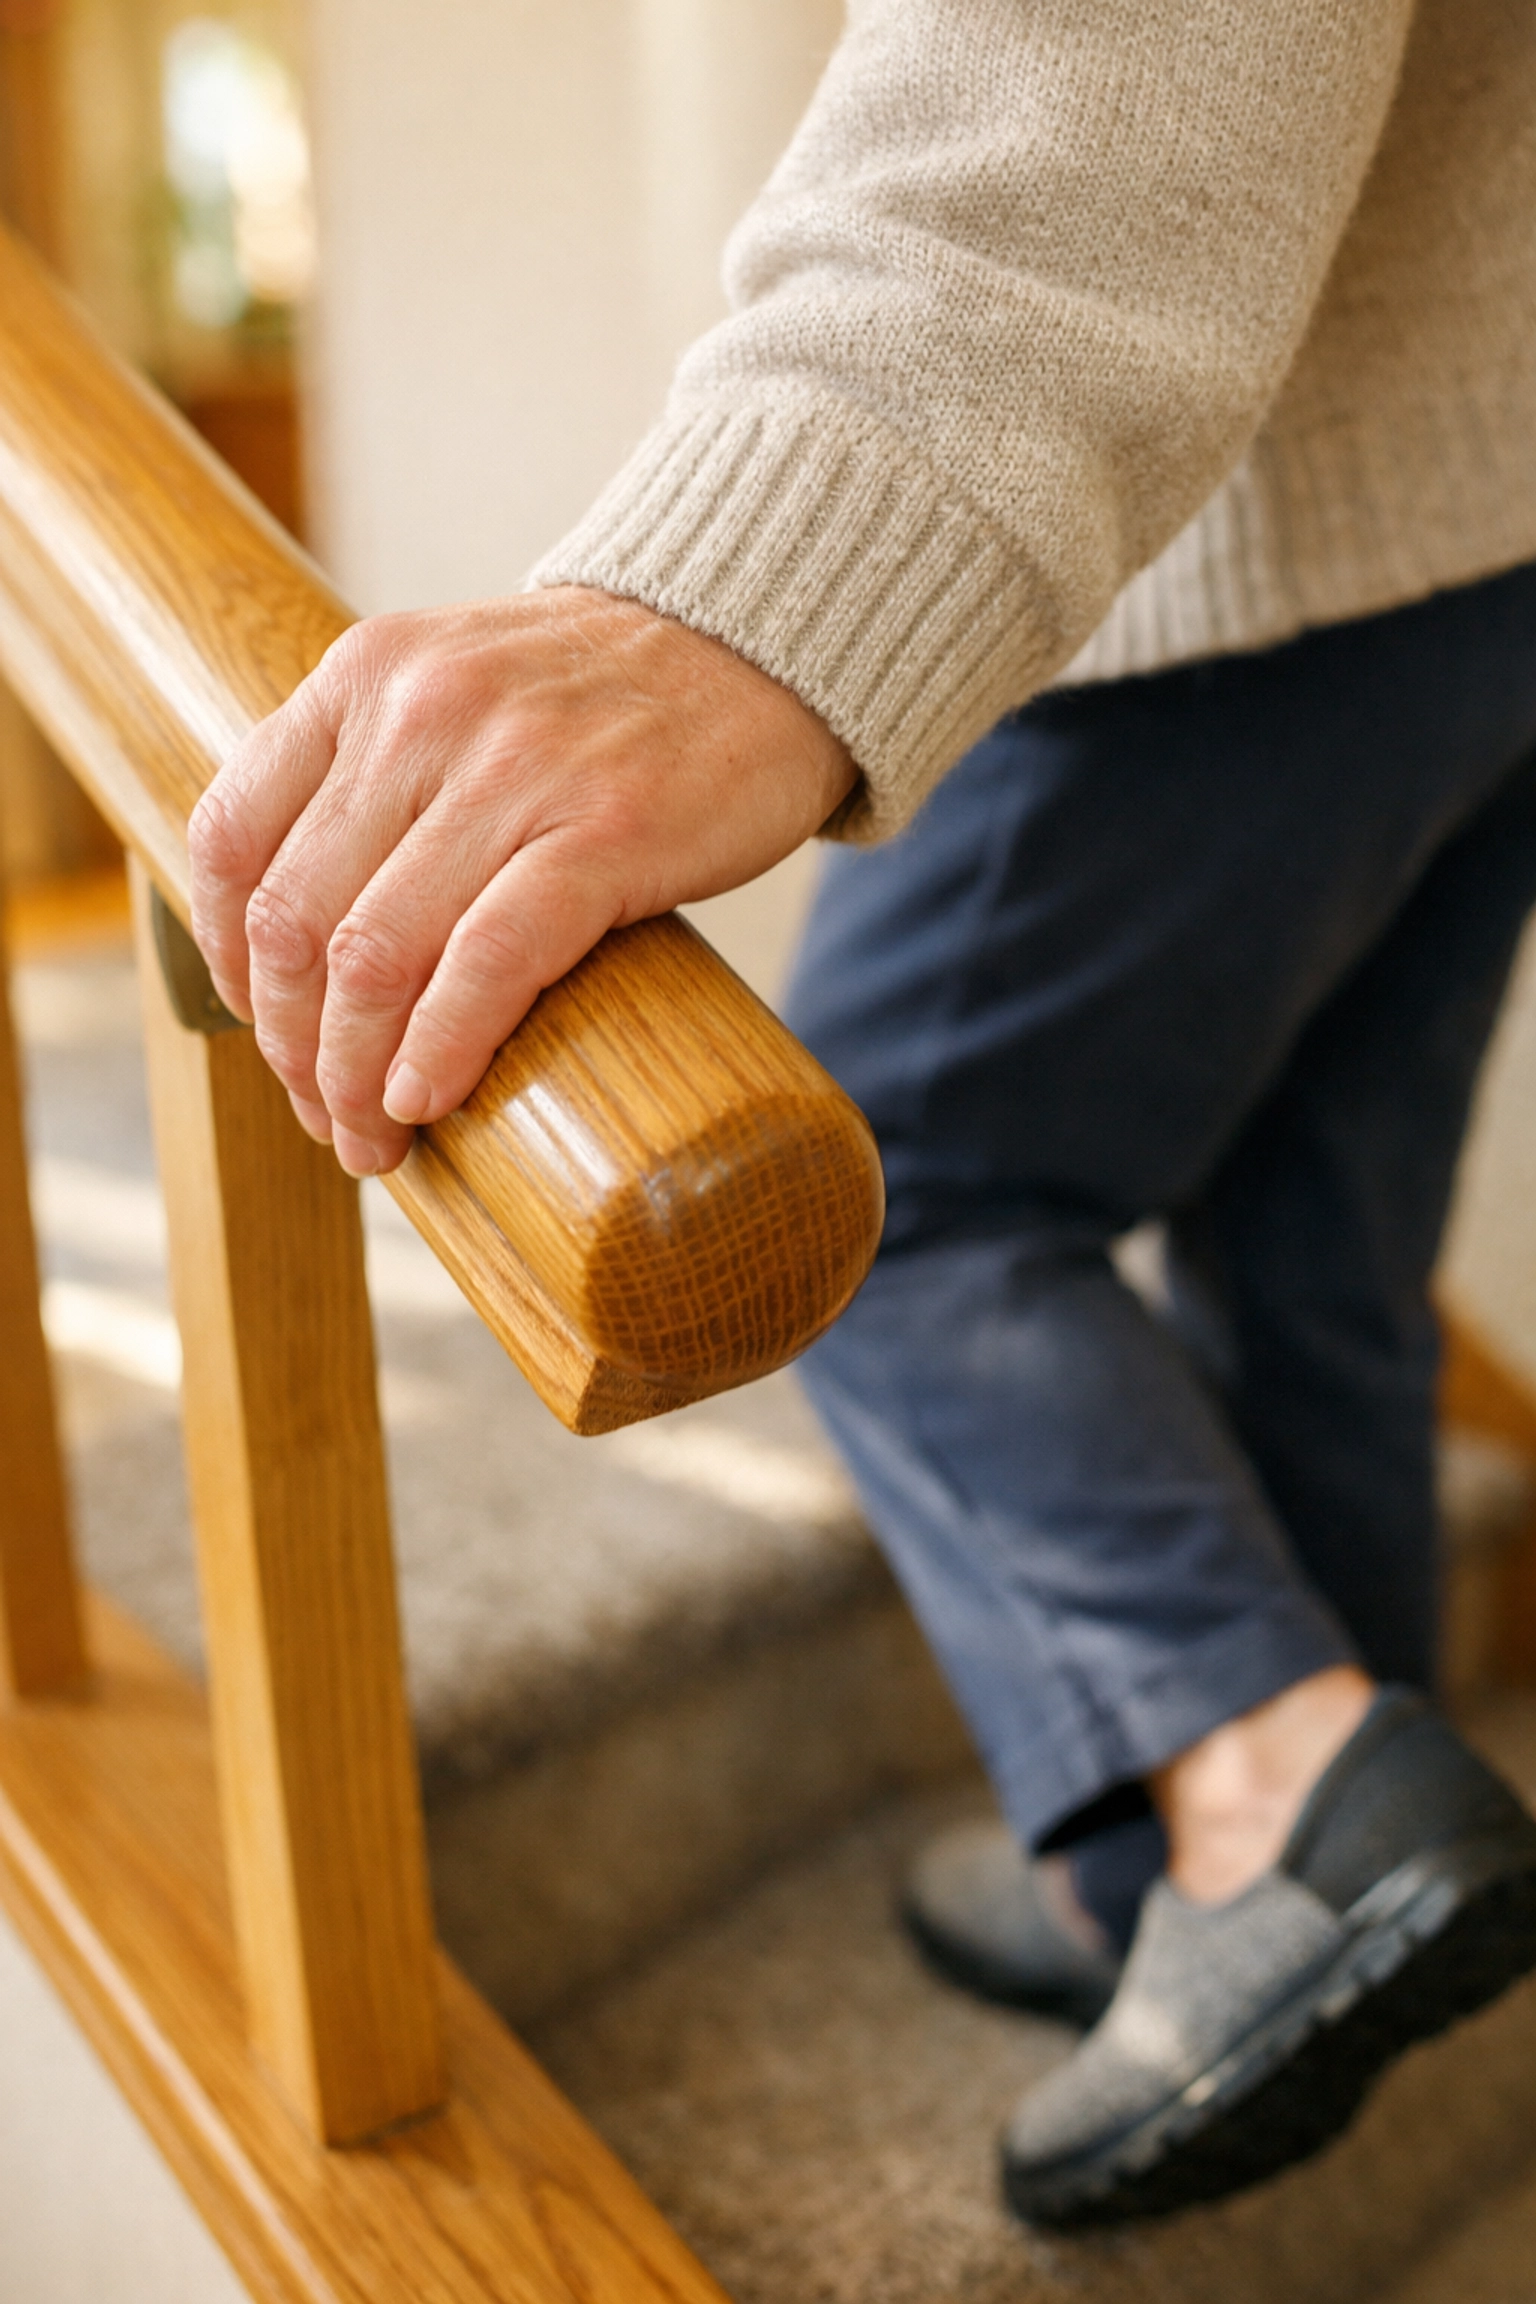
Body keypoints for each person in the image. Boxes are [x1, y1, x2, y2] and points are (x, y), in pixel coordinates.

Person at [189, 0, 1536, 2228]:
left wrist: (776, 541)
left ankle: (1271, 1804)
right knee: (1317, 1219)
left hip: (1267, 510)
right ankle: (1269, 1841)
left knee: (894, 1186)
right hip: (1497, 507)